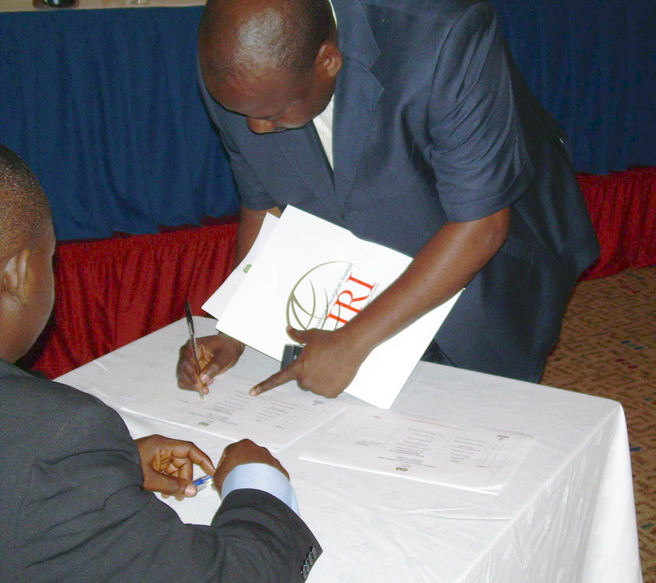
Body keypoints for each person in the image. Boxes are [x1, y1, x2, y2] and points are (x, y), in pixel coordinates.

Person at [177, 0, 600, 399]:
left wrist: (353, 341)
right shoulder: (238, 74)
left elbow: (481, 224)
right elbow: (263, 204)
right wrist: (236, 327)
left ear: (328, 61)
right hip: (369, 267)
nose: (255, 127)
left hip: (489, 256)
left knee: (487, 417)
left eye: (271, 113)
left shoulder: (446, 36)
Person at [0, 144, 321, 582]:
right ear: (16, 274)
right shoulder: (55, 436)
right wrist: (257, 482)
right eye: (50, 257)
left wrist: (105, 469)